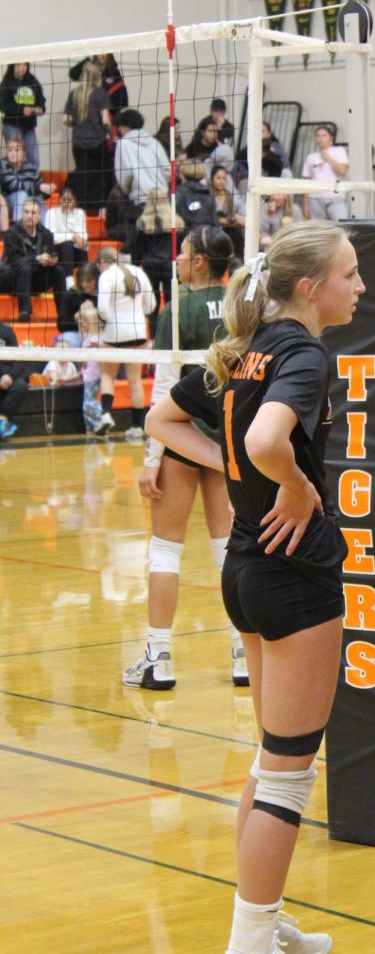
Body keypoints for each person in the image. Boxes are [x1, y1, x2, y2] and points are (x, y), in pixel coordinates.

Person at [145, 219, 365, 954]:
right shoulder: (301, 351)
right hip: (293, 574)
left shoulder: (252, 347)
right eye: (349, 274)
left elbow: (162, 421)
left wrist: (239, 464)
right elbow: (273, 437)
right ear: (310, 287)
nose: (360, 286)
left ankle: (263, 923)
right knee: (287, 776)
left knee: (271, 759)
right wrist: (297, 486)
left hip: (248, 564)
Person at [125, 226, 248, 691]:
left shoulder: (176, 309)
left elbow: (164, 387)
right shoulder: (242, 308)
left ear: (199, 262)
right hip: (223, 445)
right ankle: (242, 652)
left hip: (180, 439)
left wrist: (150, 458)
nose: (176, 260)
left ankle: (159, 658)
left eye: (183, 254)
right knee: (228, 551)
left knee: (165, 549)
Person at [95, 246, 156, 439]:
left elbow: (102, 309)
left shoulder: (106, 275)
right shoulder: (139, 271)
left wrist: (104, 321)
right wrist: (139, 316)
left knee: (107, 375)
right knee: (135, 380)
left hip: (114, 332)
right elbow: (152, 304)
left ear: (102, 262)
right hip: (138, 331)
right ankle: (137, 426)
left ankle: (105, 414)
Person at [132, 185, 185, 334]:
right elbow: (180, 245)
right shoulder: (176, 221)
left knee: (152, 303)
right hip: (170, 265)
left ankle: (155, 335)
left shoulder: (143, 223)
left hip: (150, 267)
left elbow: (137, 248)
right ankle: (172, 333)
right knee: (172, 301)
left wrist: (135, 265)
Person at [3, 199, 66, 322]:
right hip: (11, 279)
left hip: (34, 279)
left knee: (58, 270)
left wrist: (51, 260)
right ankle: (25, 311)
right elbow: (15, 260)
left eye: (33, 213)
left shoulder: (47, 234)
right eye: (26, 212)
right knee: (24, 268)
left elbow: (52, 254)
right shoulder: (11, 233)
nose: (29, 216)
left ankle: (64, 314)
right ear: (22, 214)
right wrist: (37, 259)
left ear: (39, 215)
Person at [63, 59, 113, 211]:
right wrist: (111, 131)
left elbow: (66, 119)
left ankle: (81, 208)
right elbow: (105, 120)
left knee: (82, 174)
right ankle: (98, 208)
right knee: (99, 177)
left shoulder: (74, 94)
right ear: (97, 75)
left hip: (78, 143)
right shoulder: (101, 94)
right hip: (97, 143)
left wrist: (79, 124)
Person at [114, 108, 171, 207]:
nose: (118, 130)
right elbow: (167, 170)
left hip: (140, 200)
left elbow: (125, 174)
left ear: (126, 126)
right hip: (163, 198)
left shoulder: (123, 144)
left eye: (120, 126)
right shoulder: (154, 142)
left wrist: (126, 191)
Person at [0, 62, 46, 168]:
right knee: (15, 158)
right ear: (12, 66)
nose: (22, 68)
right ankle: (15, 183)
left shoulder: (32, 81)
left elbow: (41, 100)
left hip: (29, 126)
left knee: (34, 158)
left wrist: (40, 109)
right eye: (18, 65)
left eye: (25, 65)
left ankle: (33, 182)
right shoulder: (7, 82)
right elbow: (3, 105)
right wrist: (22, 109)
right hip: (12, 125)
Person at [0, 136, 54, 221]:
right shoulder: (2, 165)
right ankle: (18, 231)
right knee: (22, 194)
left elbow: (41, 191)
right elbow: (15, 185)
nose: (12, 153)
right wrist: (39, 188)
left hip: (30, 202)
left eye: (16, 150)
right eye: (9, 150)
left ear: (24, 153)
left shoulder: (31, 168)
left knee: (39, 202)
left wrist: (48, 190)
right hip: (7, 205)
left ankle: (47, 231)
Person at [301, 126, 349, 222]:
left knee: (342, 226)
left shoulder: (339, 151)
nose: (320, 139)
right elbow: (307, 182)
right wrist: (306, 205)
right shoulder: (311, 157)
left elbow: (342, 170)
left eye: (324, 136)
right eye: (317, 136)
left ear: (330, 138)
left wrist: (327, 157)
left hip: (335, 197)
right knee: (319, 231)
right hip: (315, 198)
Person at [68, 54, 128, 122]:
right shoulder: (89, 70)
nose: (102, 55)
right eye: (99, 53)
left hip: (108, 116)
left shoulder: (114, 72)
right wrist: (88, 58)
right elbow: (73, 74)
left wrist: (105, 107)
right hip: (89, 116)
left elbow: (122, 100)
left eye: (105, 53)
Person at [44, 185, 89, 275]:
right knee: (67, 245)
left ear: (75, 202)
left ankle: (84, 278)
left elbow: (84, 236)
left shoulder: (80, 213)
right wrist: (72, 236)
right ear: (59, 200)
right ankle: (69, 279)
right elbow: (51, 236)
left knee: (83, 247)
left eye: (70, 200)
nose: (66, 203)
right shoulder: (51, 213)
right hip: (56, 251)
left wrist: (76, 238)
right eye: (63, 199)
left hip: (76, 249)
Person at [56, 261, 98, 347]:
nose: (84, 284)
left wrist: (94, 313)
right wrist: (77, 319)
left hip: (101, 333)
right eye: (81, 281)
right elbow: (61, 324)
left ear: (97, 279)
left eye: (89, 281)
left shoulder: (105, 294)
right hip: (76, 333)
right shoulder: (71, 294)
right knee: (63, 345)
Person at [77, 301, 103, 435]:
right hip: (87, 375)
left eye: (85, 321)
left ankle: (103, 418)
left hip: (94, 375)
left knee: (88, 403)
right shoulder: (85, 336)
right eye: (81, 320)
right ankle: (91, 429)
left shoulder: (95, 338)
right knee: (85, 405)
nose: (82, 322)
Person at [0, 320, 28, 440]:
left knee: (20, 386)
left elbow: (18, 360)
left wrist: (10, 376)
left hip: (6, 377)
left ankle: (2, 420)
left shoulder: (6, 331)